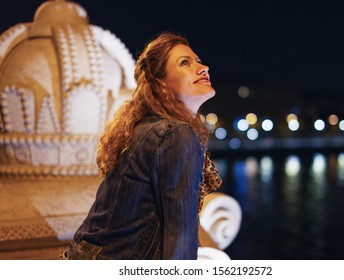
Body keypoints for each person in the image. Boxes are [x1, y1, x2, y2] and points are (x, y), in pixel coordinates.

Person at [58, 32, 222, 260]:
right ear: (161, 82)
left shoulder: (148, 128)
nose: (202, 67)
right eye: (185, 62)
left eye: (198, 60)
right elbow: (180, 232)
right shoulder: (175, 133)